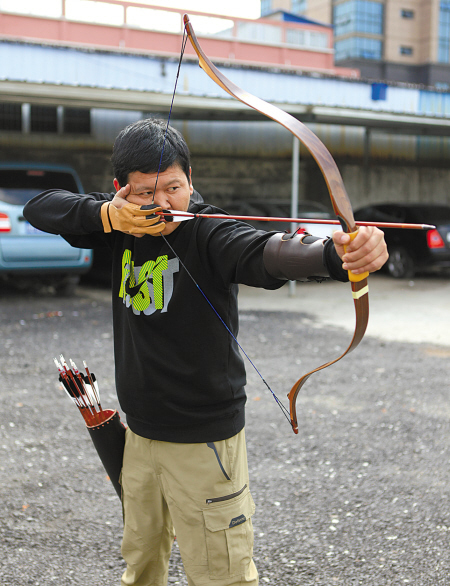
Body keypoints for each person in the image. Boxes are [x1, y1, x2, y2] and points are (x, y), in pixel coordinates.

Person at [23, 118, 388, 586]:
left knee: (222, 575)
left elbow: (264, 252)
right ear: (120, 190)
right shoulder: (119, 223)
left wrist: (336, 257)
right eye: (143, 193)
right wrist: (108, 216)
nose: (160, 203)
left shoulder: (209, 230)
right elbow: (41, 207)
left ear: (191, 178)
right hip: (138, 437)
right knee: (140, 564)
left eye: (173, 187)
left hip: (203, 440)